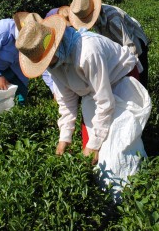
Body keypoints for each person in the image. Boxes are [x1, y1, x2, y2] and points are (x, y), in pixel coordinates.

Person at [15, 14, 151, 200]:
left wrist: (94, 145)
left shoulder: (87, 52)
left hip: (120, 79)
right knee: (91, 150)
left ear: (54, 49)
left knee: (118, 140)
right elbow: (66, 101)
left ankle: (129, 188)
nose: (47, 66)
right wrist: (65, 138)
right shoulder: (54, 64)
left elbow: (105, 102)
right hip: (91, 89)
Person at [68, 0, 150, 88]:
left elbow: (130, 46)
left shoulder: (113, 20)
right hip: (121, 43)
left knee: (140, 85)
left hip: (136, 41)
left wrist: (134, 73)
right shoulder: (96, 16)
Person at [0, 12, 36, 105]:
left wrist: (54, 90)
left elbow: (42, 63)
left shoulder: (35, 36)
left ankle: (19, 112)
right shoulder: (2, 30)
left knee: (22, 92)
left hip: (11, 66)